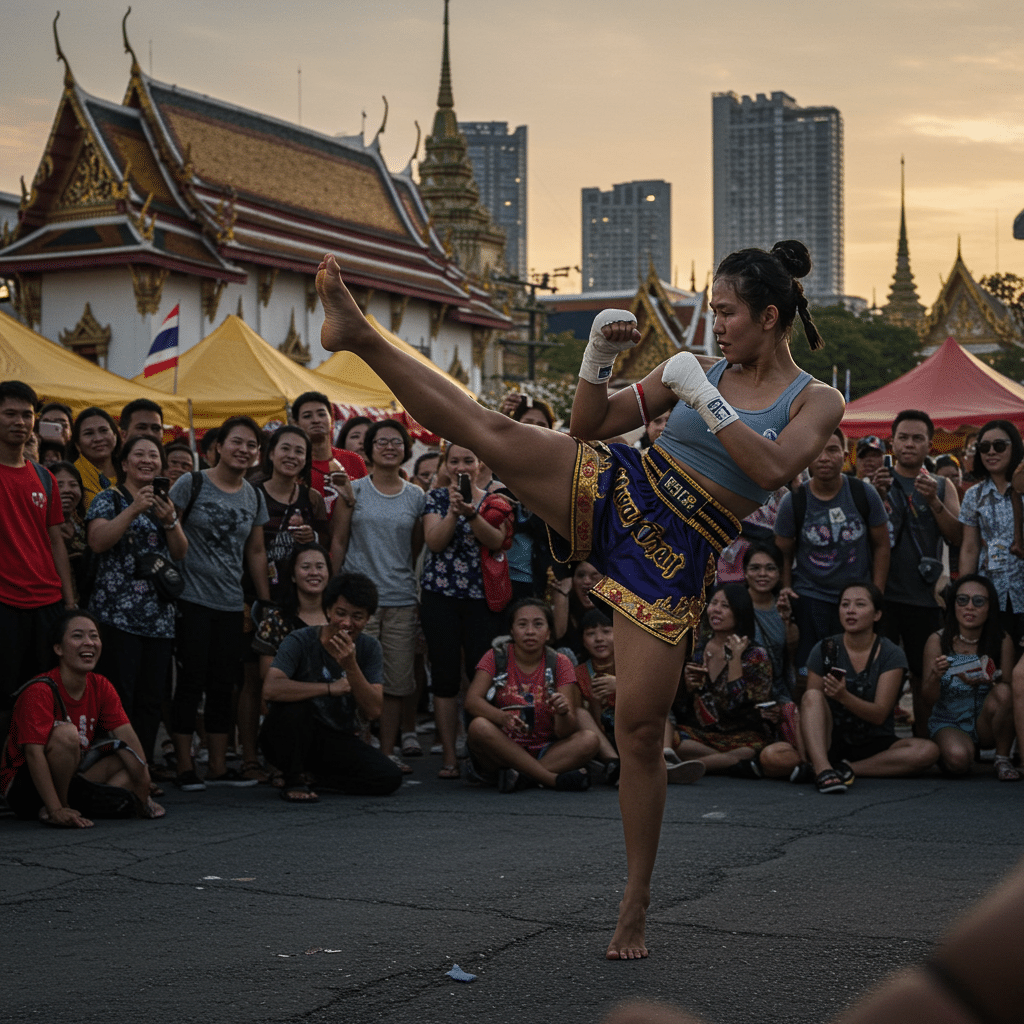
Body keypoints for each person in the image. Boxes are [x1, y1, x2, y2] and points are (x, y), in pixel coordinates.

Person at [314, 238, 844, 959]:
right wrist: (597, 357)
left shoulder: (816, 397)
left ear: (771, 316)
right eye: (713, 312)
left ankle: (636, 898)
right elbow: (589, 423)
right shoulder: (698, 367)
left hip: (676, 552)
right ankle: (358, 335)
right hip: (626, 486)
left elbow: (778, 467)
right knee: (492, 430)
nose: (715, 325)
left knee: (636, 730)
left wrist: (701, 395)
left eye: (726, 313)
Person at [167, 415, 270, 791]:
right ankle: (183, 765)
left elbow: (256, 551)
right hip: (190, 599)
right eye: (237, 442)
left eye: (251, 445)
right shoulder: (190, 483)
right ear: (218, 447)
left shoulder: (253, 495)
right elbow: (168, 533)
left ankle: (217, 767)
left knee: (224, 684)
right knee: (191, 681)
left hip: (230, 604)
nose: (243, 450)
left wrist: (264, 602)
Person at [767, 583, 939, 793]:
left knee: (927, 751)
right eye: (845, 604)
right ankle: (822, 768)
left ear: (876, 614)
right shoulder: (825, 649)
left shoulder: (890, 653)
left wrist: (843, 696)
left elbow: (879, 714)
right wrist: (806, 755)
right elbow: (811, 708)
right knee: (774, 754)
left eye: (860, 605)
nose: (850, 610)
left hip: (875, 741)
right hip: (830, 739)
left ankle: (845, 769)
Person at [0, 610, 163, 825]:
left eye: (94, 636)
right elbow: (33, 754)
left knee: (128, 763)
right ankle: (59, 808)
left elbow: (127, 737)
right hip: (26, 784)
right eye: (77, 636)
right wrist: (56, 810)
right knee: (66, 734)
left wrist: (144, 790)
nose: (89, 642)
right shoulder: (40, 689)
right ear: (58, 648)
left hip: (70, 777)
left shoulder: (101, 685)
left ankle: (77, 805)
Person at [85, 435, 187, 768]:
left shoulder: (165, 502)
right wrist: (133, 509)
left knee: (151, 699)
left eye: (153, 455)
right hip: (117, 617)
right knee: (119, 696)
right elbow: (98, 541)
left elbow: (180, 552)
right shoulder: (108, 499)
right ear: (124, 463)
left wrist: (170, 519)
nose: (147, 460)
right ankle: (116, 767)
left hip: (159, 618)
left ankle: (142, 767)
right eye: (139, 455)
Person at [331, 418, 425, 772]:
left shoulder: (416, 496)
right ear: (368, 450)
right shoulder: (353, 491)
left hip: (401, 599)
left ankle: (386, 753)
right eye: (381, 441)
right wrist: (333, 590)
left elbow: (415, 549)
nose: (389, 447)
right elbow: (338, 541)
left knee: (397, 681)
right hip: (357, 602)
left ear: (405, 449)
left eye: (396, 442)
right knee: (357, 676)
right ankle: (360, 748)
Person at [261, 571, 403, 800]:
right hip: (290, 734)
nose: (347, 623)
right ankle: (294, 778)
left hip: (334, 738)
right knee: (296, 707)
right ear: (327, 611)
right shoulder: (300, 640)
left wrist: (351, 666)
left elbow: (374, 710)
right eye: (340, 613)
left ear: (367, 619)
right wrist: (329, 688)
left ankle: (318, 779)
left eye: (357, 616)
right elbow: (271, 688)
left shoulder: (369, 648)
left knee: (388, 777)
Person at [419, 442, 513, 778]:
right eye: (454, 460)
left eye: (468, 460)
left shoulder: (495, 498)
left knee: (480, 676)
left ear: (479, 463)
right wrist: (453, 512)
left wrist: (472, 512)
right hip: (440, 596)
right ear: (445, 465)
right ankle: (448, 755)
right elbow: (434, 542)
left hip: (481, 599)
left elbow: (496, 540)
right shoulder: (435, 498)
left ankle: (478, 753)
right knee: (444, 676)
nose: (461, 466)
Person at [872, 410, 963, 735]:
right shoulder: (876, 482)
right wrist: (877, 495)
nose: (909, 444)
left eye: (917, 438)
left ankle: (926, 740)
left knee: (925, 676)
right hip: (885, 596)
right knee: (881, 673)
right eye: (904, 437)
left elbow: (957, 536)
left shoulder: (941, 485)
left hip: (926, 599)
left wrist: (934, 501)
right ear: (892, 442)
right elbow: (864, 539)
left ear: (929, 445)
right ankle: (878, 742)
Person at [775, 428, 889, 678]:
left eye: (833, 450)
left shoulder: (863, 494)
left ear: (846, 455)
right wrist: (786, 587)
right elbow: (783, 550)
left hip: (855, 599)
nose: (824, 457)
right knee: (810, 672)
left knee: (853, 672)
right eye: (817, 451)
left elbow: (882, 544)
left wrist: (875, 594)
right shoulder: (793, 501)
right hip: (810, 597)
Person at [0, 381, 76, 742]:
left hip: (47, 603)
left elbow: (56, 542)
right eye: (9, 414)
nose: (20, 422)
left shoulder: (44, 477)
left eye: (27, 414)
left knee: (42, 697)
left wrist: (70, 603)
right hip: (4, 603)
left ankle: (32, 782)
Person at [464, 597, 599, 791]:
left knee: (589, 740)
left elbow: (565, 731)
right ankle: (549, 779)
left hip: (547, 749)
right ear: (511, 630)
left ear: (548, 632)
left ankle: (520, 777)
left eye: (538, 625)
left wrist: (562, 712)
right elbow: (472, 701)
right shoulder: (496, 656)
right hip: (502, 748)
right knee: (478, 727)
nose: (530, 632)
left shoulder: (560, 662)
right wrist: (502, 718)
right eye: (522, 624)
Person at [921, 574, 1017, 780]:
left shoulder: (1002, 639)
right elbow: (928, 699)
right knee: (959, 761)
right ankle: (950, 751)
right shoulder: (937, 640)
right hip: (950, 720)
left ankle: (1002, 758)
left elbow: (1009, 691)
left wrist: (990, 679)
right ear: (953, 604)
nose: (969, 607)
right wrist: (936, 676)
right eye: (962, 600)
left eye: (979, 601)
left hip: (986, 720)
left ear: (990, 607)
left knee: (1004, 691)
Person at [671, 584, 774, 774]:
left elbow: (738, 705)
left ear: (739, 612)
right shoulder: (697, 649)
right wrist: (686, 686)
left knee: (749, 750)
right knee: (675, 741)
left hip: (743, 735)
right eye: (713, 603)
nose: (716, 609)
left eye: (725, 606)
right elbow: (681, 706)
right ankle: (729, 764)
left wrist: (734, 659)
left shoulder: (755, 655)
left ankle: (687, 767)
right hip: (702, 734)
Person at [958, 420, 1024, 645]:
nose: (991, 452)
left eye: (999, 445)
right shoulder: (974, 495)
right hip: (990, 592)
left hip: (1022, 586)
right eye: (984, 447)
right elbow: (970, 547)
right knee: (994, 661)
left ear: (1014, 447)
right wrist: (965, 592)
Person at [255, 425, 328, 604]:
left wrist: (313, 537)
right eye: (285, 449)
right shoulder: (253, 494)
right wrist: (264, 602)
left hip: (300, 598)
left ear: (305, 459)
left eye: (299, 451)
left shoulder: (312, 498)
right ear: (271, 454)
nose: (291, 456)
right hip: (256, 591)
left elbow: (326, 542)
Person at [290, 392, 365, 515]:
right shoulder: (294, 464)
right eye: (307, 416)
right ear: (296, 423)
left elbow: (366, 504)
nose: (316, 420)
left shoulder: (354, 460)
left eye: (321, 414)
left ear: (332, 419)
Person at [573, 607, 621, 782]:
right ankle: (613, 763)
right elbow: (585, 722)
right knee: (579, 713)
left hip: (633, 731)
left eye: (607, 631)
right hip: (602, 739)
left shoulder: (632, 665)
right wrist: (595, 702)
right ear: (583, 641)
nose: (599, 639)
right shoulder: (578, 674)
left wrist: (621, 686)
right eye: (591, 633)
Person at [50, 461, 90, 604]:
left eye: (73, 485)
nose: (66, 490)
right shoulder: (38, 527)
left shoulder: (86, 525)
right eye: (58, 485)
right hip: (52, 601)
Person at [551, 560, 605, 661]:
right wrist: (562, 593)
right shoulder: (563, 609)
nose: (587, 581)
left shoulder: (615, 611)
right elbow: (555, 635)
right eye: (581, 575)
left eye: (594, 576)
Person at [70, 406, 121, 511]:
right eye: (89, 433)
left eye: (104, 430)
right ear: (77, 445)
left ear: (115, 436)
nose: (98, 439)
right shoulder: (71, 476)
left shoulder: (130, 469)